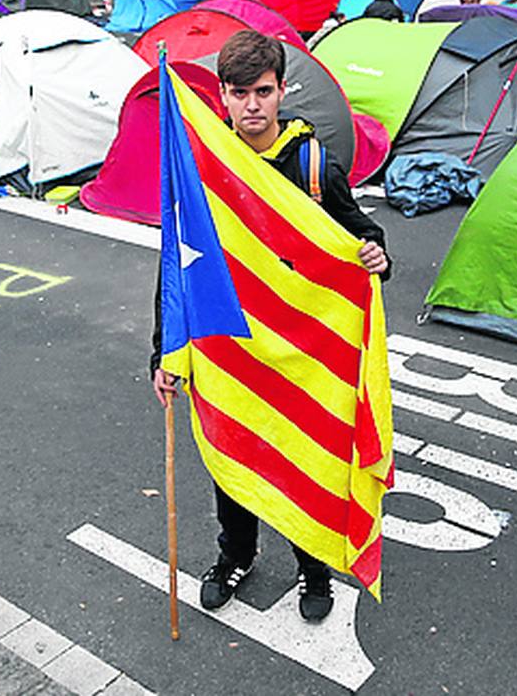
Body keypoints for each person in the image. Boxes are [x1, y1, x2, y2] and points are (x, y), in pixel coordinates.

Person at [150, 31, 390, 624]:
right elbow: (178, 263)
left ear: (282, 90)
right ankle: (236, 556)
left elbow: (358, 232)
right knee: (233, 456)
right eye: (239, 94)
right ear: (222, 98)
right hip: (227, 346)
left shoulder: (312, 163)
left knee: (305, 457)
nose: (252, 105)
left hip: (303, 350)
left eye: (262, 91)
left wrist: (377, 253)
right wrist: (164, 350)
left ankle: (313, 569)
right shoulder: (202, 165)